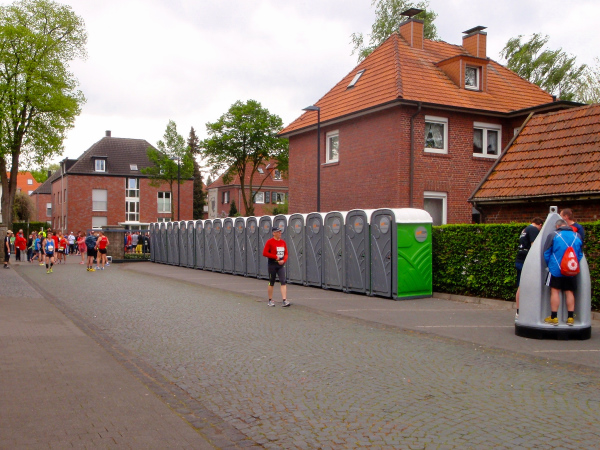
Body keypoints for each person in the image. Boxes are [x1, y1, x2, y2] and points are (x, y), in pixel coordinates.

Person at [543, 219, 583, 326]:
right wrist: (572, 265)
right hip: (571, 269)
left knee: (554, 291)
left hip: (556, 269)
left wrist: (550, 264)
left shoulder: (553, 235)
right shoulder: (577, 236)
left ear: (558, 226)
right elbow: (580, 254)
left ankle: (554, 317)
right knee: (569, 292)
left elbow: (546, 253)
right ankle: (570, 318)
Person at [514, 217, 544, 319]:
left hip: (519, 259)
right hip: (526, 261)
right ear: (540, 225)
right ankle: (526, 310)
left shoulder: (525, 229)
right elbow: (534, 246)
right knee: (527, 285)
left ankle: (519, 311)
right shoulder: (534, 229)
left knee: (520, 285)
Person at [262, 227, 290, 307]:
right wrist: (275, 257)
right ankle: (270, 300)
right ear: (273, 233)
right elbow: (265, 253)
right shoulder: (269, 242)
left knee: (283, 281)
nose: (280, 233)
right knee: (271, 282)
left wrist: (283, 260)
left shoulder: (283, 242)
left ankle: (284, 300)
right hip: (272, 264)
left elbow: (286, 253)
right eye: (278, 232)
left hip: (281, 265)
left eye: (280, 232)